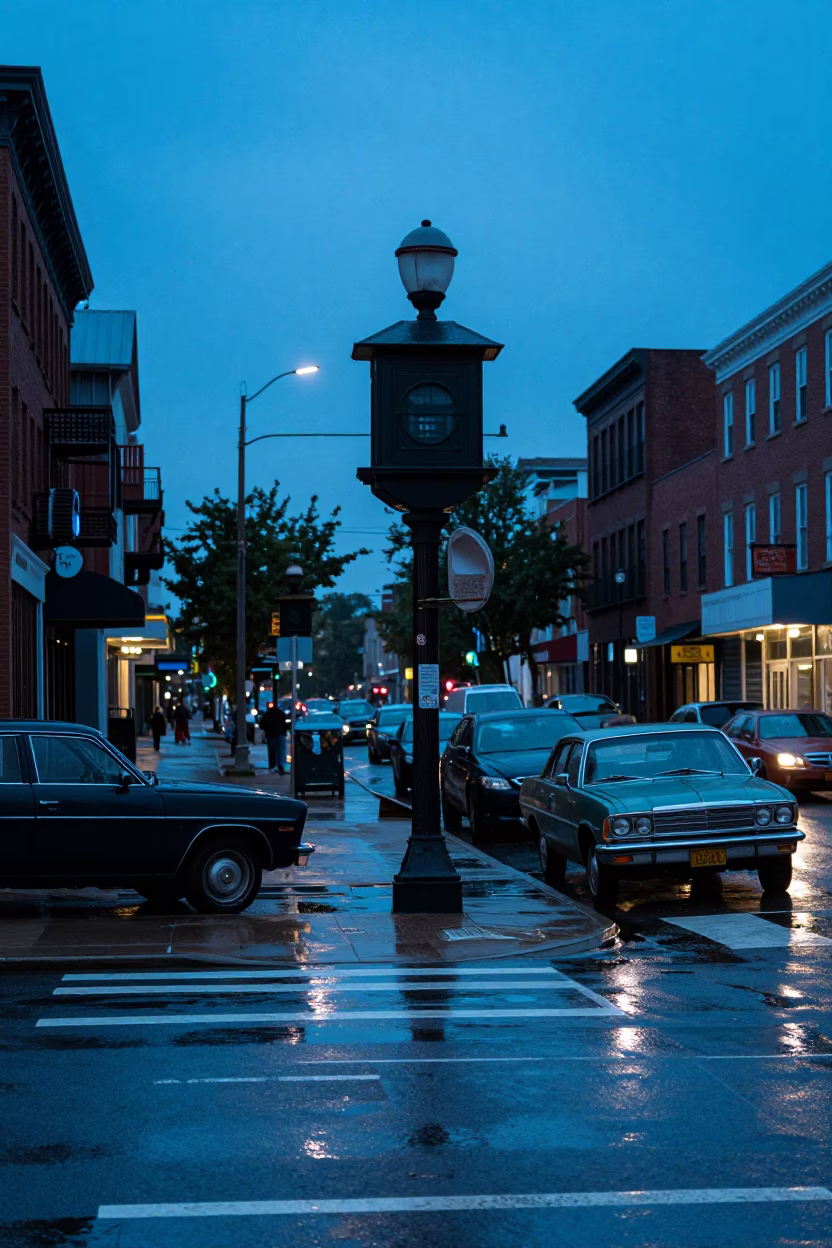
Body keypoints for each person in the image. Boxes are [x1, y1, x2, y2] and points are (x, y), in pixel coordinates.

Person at [258, 702, 288, 773]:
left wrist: (267, 731)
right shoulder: (280, 713)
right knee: (281, 750)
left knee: (272, 750)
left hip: (271, 734)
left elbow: (262, 724)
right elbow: (285, 723)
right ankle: (280, 765)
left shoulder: (267, 714)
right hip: (280, 733)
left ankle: (272, 765)